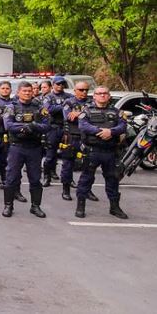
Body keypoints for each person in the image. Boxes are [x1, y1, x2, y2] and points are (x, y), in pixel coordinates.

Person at [76, 86, 128, 219]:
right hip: (92, 150)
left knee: (113, 180)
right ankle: (80, 206)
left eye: (105, 93)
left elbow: (123, 126)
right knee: (86, 179)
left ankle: (114, 207)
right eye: (99, 93)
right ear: (94, 96)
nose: (102, 96)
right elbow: (83, 126)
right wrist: (101, 131)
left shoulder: (117, 112)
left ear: (109, 96)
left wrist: (111, 132)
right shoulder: (86, 111)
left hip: (110, 152)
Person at [2, 81, 50, 218]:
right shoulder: (11, 107)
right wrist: (26, 127)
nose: (27, 93)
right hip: (17, 147)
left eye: (29, 91)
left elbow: (47, 126)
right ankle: (8, 206)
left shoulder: (40, 108)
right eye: (24, 91)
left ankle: (35, 206)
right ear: (18, 92)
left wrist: (33, 126)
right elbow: (8, 125)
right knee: (11, 178)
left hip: (34, 148)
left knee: (35, 179)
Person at [59, 81, 91, 202]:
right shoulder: (69, 102)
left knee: (88, 166)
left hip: (87, 137)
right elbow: (68, 116)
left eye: (86, 90)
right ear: (75, 91)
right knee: (68, 164)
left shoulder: (92, 102)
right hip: (71, 136)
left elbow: (94, 117)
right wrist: (85, 115)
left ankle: (87, 190)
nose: (84, 92)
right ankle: (66, 189)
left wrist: (79, 113)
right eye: (81, 90)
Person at [42, 76, 72, 187]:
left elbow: (74, 108)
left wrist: (62, 107)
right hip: (53, 128)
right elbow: (48, 109)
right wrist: (64, 106)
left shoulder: (69, 96)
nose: (60, 86)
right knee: (50, 155)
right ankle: (46, 176)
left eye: (62, 84)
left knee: (68, 155)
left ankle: (69, 179)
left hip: (66, 128)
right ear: (53, 84)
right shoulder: (48, 97)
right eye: (58, 84)